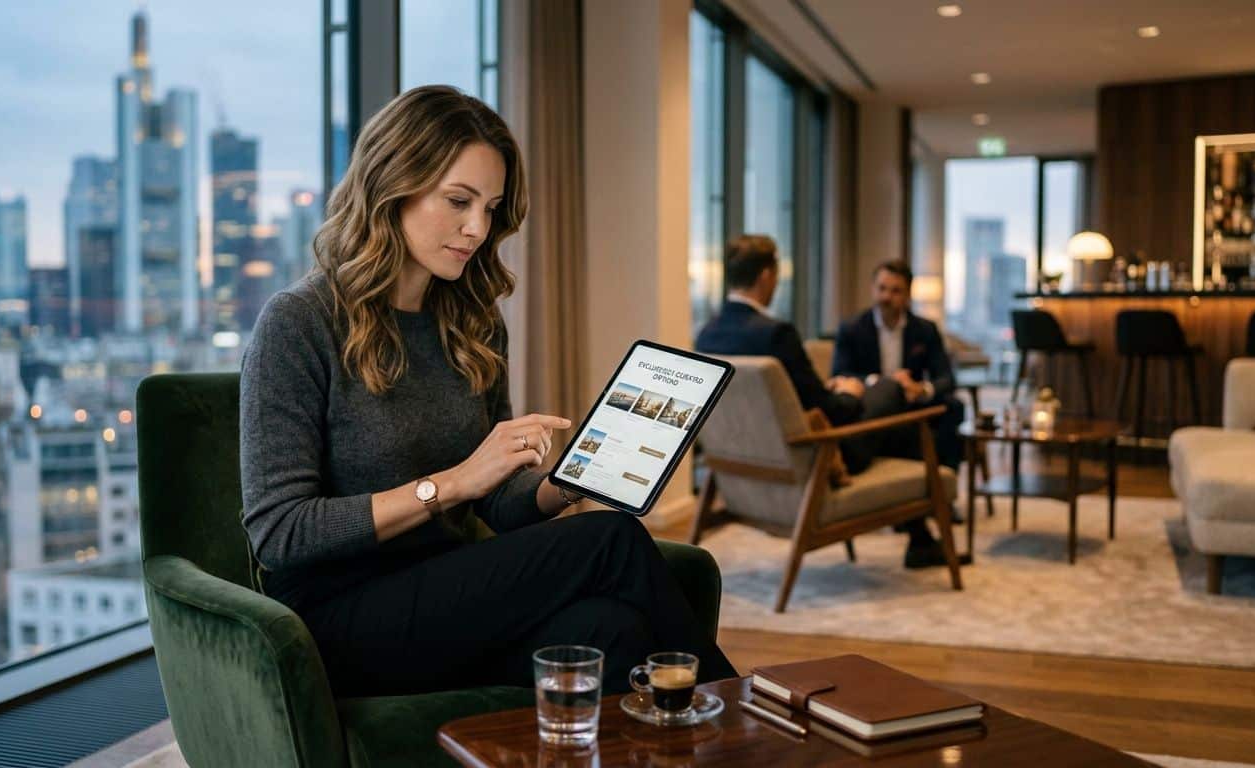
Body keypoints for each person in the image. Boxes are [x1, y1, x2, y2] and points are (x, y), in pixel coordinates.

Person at [239, 85, 736, 698]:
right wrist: (450, 484)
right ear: (392, 184)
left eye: (492, 207)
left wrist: (565, 483)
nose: (478, 228)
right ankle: (753, 727)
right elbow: (279, 532)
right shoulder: (298, 322)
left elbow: (497, 504)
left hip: (446, 591)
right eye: (458, 201)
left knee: (611, 629)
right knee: (613, 539)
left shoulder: (470, 322)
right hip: (339, 617)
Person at [695, 236, 954, 568]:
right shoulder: (776, 334)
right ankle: (921, 534)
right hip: (819, 459)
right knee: (893, 394)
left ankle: (921, 537)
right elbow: (831, 409)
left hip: (743, 468)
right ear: (765, 276)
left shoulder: (706, 335)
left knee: (894, 407)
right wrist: (850, 393)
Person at [830, 259, 966, 473]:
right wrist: (883, 383)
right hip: (871, 403)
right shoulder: (851, 328)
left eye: (895, 291)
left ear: (907, 295)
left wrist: (921, 388)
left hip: (912, 404)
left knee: (954, 406)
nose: (886, 297)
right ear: (872, 288)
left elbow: (946, 378)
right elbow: (840, 373)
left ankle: (944, 486)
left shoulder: (925, 329)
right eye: (881, 289)